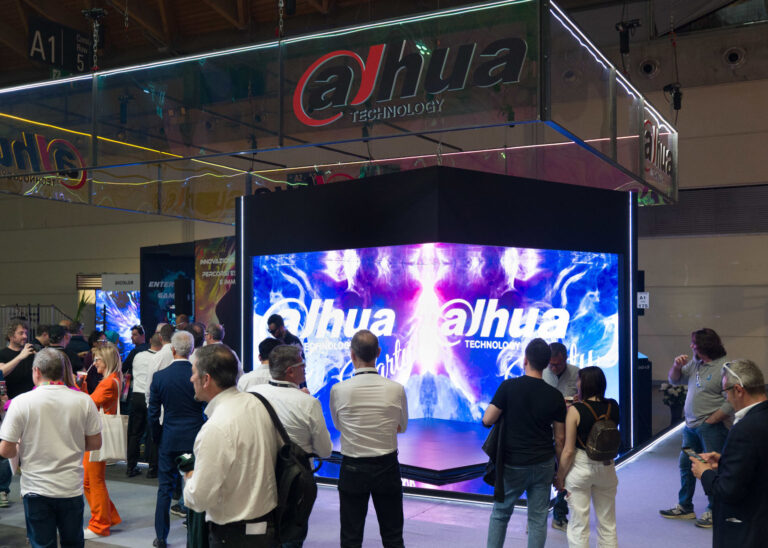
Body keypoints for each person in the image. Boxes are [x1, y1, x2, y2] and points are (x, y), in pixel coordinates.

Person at [0, 348, 102, 547]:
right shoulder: (84, 400)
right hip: (70, 487)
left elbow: (5, 450)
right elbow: (95, 443)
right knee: (73, 543)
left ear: (36, 371)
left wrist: (23, 446)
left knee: (42, 544)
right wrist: (71, 441)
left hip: (36, 488)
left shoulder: (20, 403)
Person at [184, 343, 282, 547]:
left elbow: (199, 499)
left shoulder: (216, 427)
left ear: (206, 379)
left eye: (193, 373)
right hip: (267, 526)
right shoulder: (258, 403)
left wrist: (189, 476)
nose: (191, 379)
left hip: (233, 535)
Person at [483, 338, 566, 548]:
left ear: (525, 360)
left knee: (500, 514)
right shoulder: (555, 396)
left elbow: (487, 419)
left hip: (513, 463)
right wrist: (560, 473)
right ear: (546, 364)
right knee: (538, 519)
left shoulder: (509, 386)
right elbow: (560, 439)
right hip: (544, 464)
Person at [247, 344, 332, 547]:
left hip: (260, 473)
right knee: (291, 533)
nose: (305, 368)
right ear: (290, 371)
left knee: (262, 532)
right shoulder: (308, 403)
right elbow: (325, 451)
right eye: (302, 364)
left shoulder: (252, 394)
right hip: (296, 480)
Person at [330, 330, 408, 548]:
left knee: (351, 537)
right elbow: (401, 427)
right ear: (379, 352)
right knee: (393, 536)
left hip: (352, 468)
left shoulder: (338, 389)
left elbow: (339, 426)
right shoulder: (396, 389)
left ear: (352, 355)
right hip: (387, 467)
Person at [690, 359, 768, 548]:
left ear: (738, 390)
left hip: (747, 528)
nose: (726, 399)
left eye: (725, 391)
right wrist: (725, 460)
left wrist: (705, 473)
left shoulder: (744, 429)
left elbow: (728, 491)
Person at [660, 328, 732, 527]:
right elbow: (674, 379)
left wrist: (712, 420)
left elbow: (731, 401)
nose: (691, 346)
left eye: (695, 344)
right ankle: (685, 506)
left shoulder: (724, 368)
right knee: (686, 464)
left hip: (711, 429)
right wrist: (676, 366)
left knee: (712, 468)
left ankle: (714, 510)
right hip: (690, 428)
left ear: (705, 346)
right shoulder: (695, 364)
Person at [149, 330, 205, 548]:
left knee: (164, 488)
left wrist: (157, 437)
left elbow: (153, 413)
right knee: (192, 485)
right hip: (193, 440)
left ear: (172, 349)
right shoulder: (198, 376)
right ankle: (193, 535)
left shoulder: (160, 377)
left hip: (169, 439)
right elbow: (206, 407)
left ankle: (161, 537)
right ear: (192, 350)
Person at [555, 366, 619, 548]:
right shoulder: (613, 406)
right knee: (608, 524)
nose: (577, 383)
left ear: (584, 384)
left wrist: (560, 476)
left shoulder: (575, 410)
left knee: (578, 525)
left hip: (580, 467)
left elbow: (568, 450)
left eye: (578, 380)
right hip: (607, 467)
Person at [82, 342, 123, 538]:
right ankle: (107, 517)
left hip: (97, 435)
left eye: (97, 359)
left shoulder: (108, 382)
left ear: (106, 360)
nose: (95, 363)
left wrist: (77, 385)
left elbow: (88, 405)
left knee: (93, 481)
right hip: (99, 434)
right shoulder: (113, 379)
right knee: (90, 480)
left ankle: (100, 524)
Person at [543, 342, 579, 532]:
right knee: (542, 477)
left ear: (566, 359)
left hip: (568, 431)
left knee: (565, 475)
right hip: (544, 431)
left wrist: (577, 401)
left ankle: (559, 516)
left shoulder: (576, 373)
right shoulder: (541, 373)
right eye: (551, 364)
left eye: (558, 364)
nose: (554, 368)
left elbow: (582, 401)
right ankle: (537, 518)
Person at [126, 333, 162, 477]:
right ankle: (152, 468)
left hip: (136, 396)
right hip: (151, 397)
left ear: (150, 341)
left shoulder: (138, 355)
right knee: (153, 433)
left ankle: (131, 467)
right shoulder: (159, 358)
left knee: (134, 433)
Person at [0, 320, 36, 399]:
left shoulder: (30, 353)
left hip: (30, 400)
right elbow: (1, 372)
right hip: (11, 400)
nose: (25, 336)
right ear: (10, 335)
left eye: (26, 333)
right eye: (21, 333)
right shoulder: (2, 354)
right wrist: (20, 357)